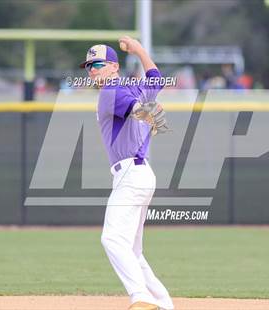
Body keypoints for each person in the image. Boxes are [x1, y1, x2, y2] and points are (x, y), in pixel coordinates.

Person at [80, 37, 173, 310]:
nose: (92, 71)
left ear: (113, 67)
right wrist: (140, 49)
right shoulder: (134, 87)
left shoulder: (111, 90)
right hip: (141, 176)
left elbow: (138, 111)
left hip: (130, 175)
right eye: (88, 67)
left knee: (111, 239)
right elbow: (156, 78)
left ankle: (141, 298)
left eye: (97, 64)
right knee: (133, 251)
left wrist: (151, 114)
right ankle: (164, 303)